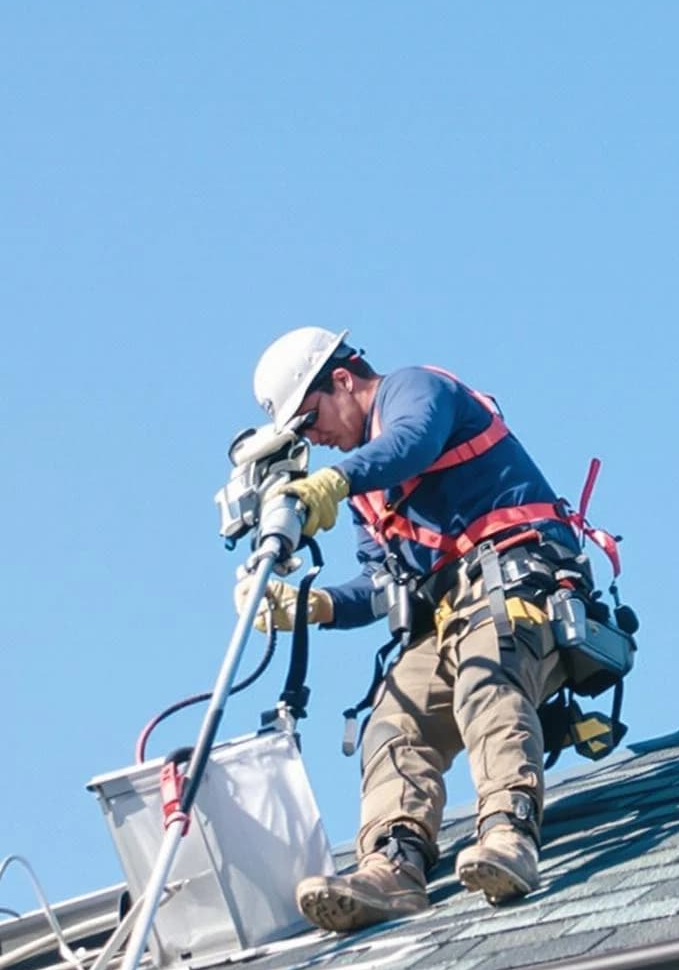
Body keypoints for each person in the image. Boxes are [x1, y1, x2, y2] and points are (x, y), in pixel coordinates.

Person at [243, 326, 583, 933]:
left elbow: (412, 443)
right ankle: (393, 868)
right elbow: (381, 586)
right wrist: (313, 606)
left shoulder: (414, 389)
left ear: (342, 380)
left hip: (515, 584)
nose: (314, 439)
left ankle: (507, 832)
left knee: (487, 676)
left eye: (311, 417)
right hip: (447, 615)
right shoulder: (365, 497)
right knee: (394, 722)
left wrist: (337, 480)